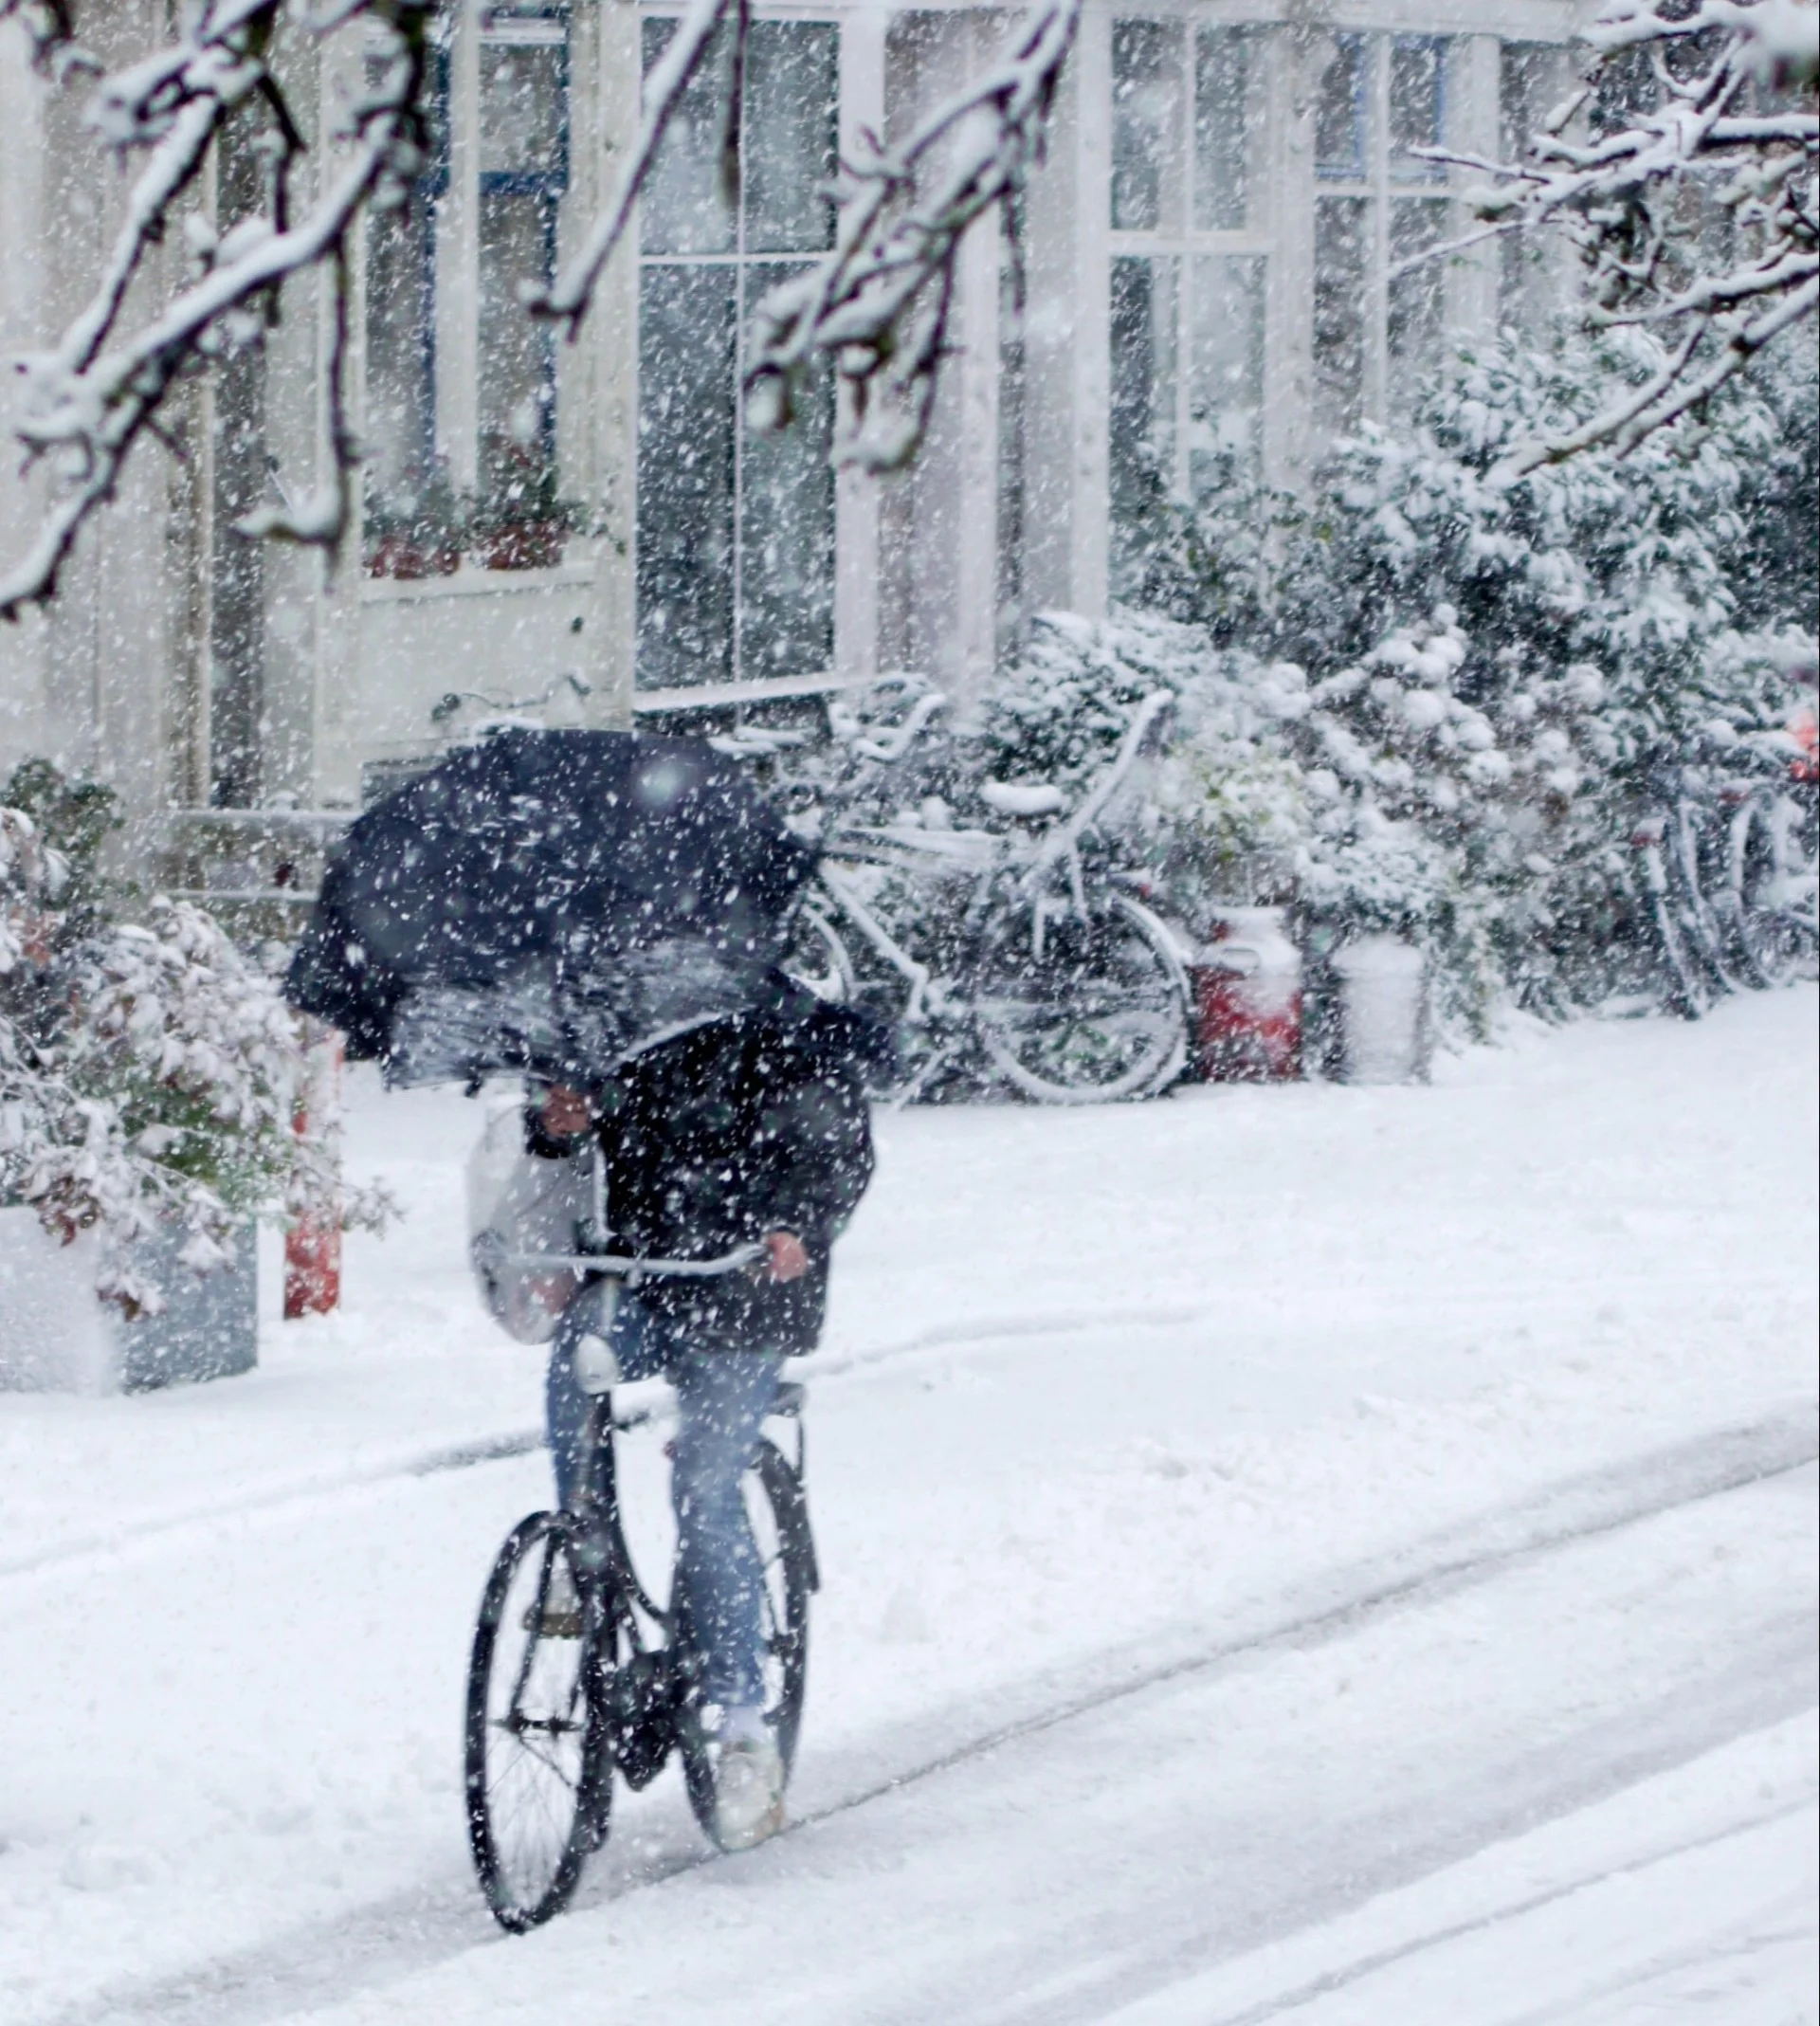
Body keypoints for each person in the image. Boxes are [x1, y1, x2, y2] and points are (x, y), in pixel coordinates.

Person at [528, 978, 877, 1851]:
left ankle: (744, 1727)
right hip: (648, 1279)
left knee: (703, 1485)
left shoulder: (795, 1032)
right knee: (575, 1360)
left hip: (748, 1291)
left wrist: (798, 1223)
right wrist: (558, 1122)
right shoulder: (627, 1019)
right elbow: (591, 1135)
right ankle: (580, 1546)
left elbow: (838, 1152)